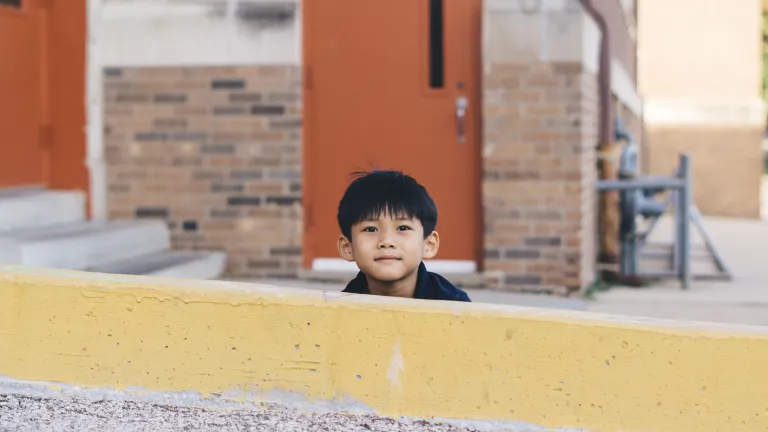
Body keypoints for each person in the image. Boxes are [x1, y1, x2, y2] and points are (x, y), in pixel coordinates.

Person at [336, 170, 471, 302]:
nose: (387, 241)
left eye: (403, 228)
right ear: (347, 247)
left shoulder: (455, 307)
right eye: (371, 229)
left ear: (429, 244)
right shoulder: (337, 311)